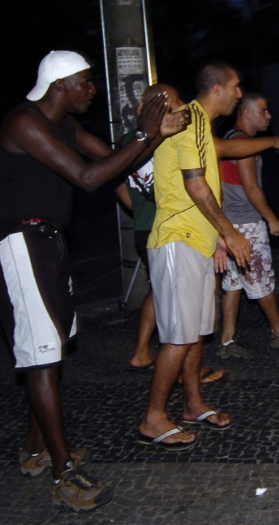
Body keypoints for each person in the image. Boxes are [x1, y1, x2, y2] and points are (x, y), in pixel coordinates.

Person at [0, 50, 189, 512]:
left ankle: (36, 452)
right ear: (60, 86)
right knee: (41, 357)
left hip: (48, 241)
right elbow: (89, 176)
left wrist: (154, 140)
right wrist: (144, 133)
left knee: (50, 349)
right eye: (85, 82)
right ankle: (64, 475)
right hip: (19, 243)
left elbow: (114, 159)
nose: (91, 89)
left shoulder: (65, 125)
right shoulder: (24, 123)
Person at [139, 61, 279, 450]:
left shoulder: (199, 125)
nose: (240, 93)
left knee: (195, 334)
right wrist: (230, 232)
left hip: (199, 241)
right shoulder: (186, 119)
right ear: (218, 89)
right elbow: (195, 186)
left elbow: (221, 158)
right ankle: (153, 417)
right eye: (236, 86)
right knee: (178, 337)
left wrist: (218, 238)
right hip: (177, 239)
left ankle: (192, 403)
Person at [119, 84, 223, 383]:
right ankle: (161, 397)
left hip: (162, 226)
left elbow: (117, 181)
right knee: (175, 316)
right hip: (165, 228)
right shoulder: (147, 138)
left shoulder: (144, 137)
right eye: (177, 100)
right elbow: (112, 175)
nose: (183, 104)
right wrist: (148, 209)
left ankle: (145, 354)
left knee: (162, 295)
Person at [218, 92, 279, 359]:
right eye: (263, 111)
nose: (269, 116)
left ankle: (227, 340)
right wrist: (271, 219)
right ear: (246, 113)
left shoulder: (232, 138)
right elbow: (251, 188)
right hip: (245, 224)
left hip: (228, 224)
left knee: (233, 284)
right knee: (261, 281)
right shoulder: (243, 143)